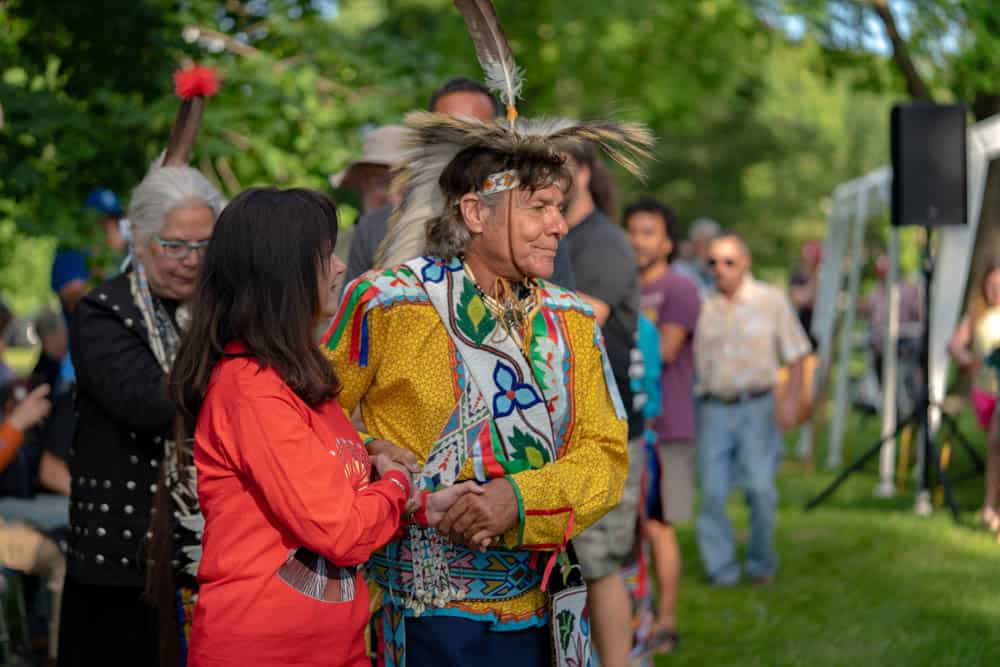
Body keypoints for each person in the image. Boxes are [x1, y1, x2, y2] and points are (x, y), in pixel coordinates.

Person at [328, 9, 653, 660]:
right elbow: (314, 422)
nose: (559, 226)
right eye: (539, 207)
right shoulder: (387, 304)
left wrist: (517, 497)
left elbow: (604, 455)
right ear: (474, 211)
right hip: (416, 617)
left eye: (560, 206)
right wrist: (373, 452)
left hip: (538, 614)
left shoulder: (567, 321)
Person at [165, 187, 476, 667]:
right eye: (325, 255)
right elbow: (342, 531)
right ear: (283, 275)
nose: (338, 268)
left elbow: (338, 491)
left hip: (331, 645)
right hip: (264, 650)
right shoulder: (251, 391)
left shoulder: (298, 380)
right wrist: (397, 479)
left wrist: (419, 499)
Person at [58, 65, 226, 667]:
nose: (189, 261)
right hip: (117, 565)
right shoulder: (105, 311)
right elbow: (148, 401)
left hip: (207, 556)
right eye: (174, 246)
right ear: (141, 242)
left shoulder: (218, 312)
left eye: (204, 246)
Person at [345, 76, 575, 290]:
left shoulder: (541, 229)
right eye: (449, 135)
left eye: (476, 134)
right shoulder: (375, 228)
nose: (461, 148)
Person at [561, 142, 643, 667]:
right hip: (556, 429)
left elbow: (585, 312)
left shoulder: (607, 242)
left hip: (604, 429)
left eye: (560, 167)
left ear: (586, 171)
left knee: (599, 565)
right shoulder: (555, 236)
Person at [694, 234, 811, 586]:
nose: (720, 269)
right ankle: (721, 570)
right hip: (713, 408)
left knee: (760, 489)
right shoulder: (701, 303)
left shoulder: (770, 300)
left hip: (758, 405)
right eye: (713, 262)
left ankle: (761, 563)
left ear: (745, 262)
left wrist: (790, 402)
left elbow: (797, 354)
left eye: (728, 261)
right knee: (713, 492)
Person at [625, 198, 700, 654]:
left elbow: (666, 350)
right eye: (632, 230)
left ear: (668, 242)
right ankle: (636, 614)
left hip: (669, 428)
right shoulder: (622, 285)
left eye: (649, 231)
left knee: (660, 525)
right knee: (628, 529)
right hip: (630, 428)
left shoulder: (679, 289)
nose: (638, 240)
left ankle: (667, 621)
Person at [949, 259, 1000, 538]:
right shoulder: (976, 315)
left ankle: (992, 510)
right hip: (985, 393)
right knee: (994, 451)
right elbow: (954, 345)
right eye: (992, 284)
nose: (996, 290)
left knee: (996, 446)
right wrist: (966, 358)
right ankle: (990, 504)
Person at [330, 125, 407, 263]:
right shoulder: (332, 253)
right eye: (383, 183)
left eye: (406, 185)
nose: (393, 197)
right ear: (361, 184)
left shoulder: (436, 250)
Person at [672, 217, 720, 297]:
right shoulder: (680, 270)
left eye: (710, 242)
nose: (707, 248)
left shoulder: (721, 268)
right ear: (693, 244)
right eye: (703, 242)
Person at [789, 240, 822, 347]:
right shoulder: (798, 276)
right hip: (801, 327)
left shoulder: (821, 277)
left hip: (818, 329)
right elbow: (801, 299)